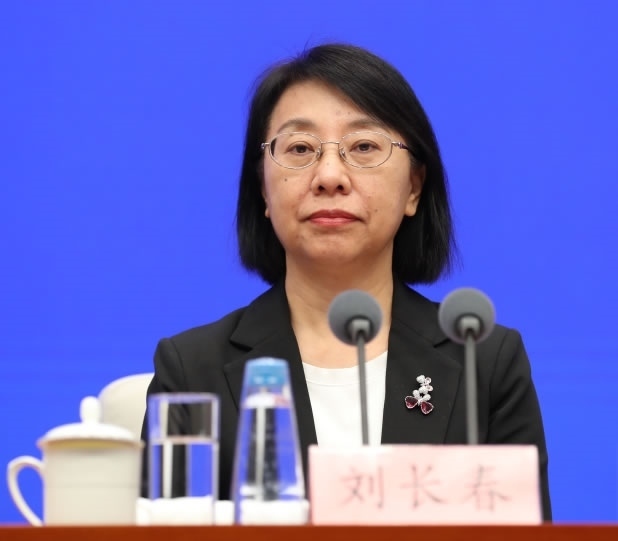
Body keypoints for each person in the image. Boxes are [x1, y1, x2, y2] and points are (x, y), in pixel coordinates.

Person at [142, 43, 551, 520]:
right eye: (300, 149)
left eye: (363, 147)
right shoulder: (194, 370)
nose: (330, 176)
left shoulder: (485, 363)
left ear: (414, 187)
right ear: (263, 191)